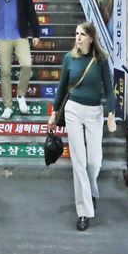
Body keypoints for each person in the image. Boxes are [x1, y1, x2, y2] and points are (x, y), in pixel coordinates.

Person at [49, 22, 116, 231]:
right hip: (73, 110)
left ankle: (91, 192)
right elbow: (62, 87)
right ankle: (84, 212)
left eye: (82, 34)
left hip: (95, 111)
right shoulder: (70, 58)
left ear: (91, 38)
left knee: (94, 162)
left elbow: (110, 88)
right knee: (79, 161)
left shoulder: (101, 59)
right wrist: (53, 113)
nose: (78, 38)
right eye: (76, 34)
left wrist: (112, 114)